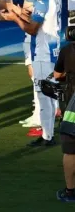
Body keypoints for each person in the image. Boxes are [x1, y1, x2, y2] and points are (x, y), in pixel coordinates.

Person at [0, 0, 60, 146]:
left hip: (43, 53)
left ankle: (48, 135)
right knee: (48, 96)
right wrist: (17, 12)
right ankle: (48, 135)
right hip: (50, 52)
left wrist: (14, 19)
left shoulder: (43, 2)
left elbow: (32, 29)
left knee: (44, 96)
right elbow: (34, 19)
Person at [54, 41, 75, 202]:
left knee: (70, 149)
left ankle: (70, 191)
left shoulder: (68, 49)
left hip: (72, 106)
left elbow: (57, 75)